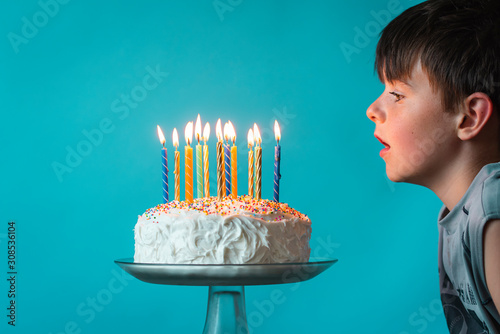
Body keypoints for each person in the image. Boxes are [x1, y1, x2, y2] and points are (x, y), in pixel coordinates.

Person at [366, 0, 500, 332]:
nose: (372, 109)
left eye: (396, 94)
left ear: (469, 116)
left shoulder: (493, 209)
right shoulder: (460, 210)